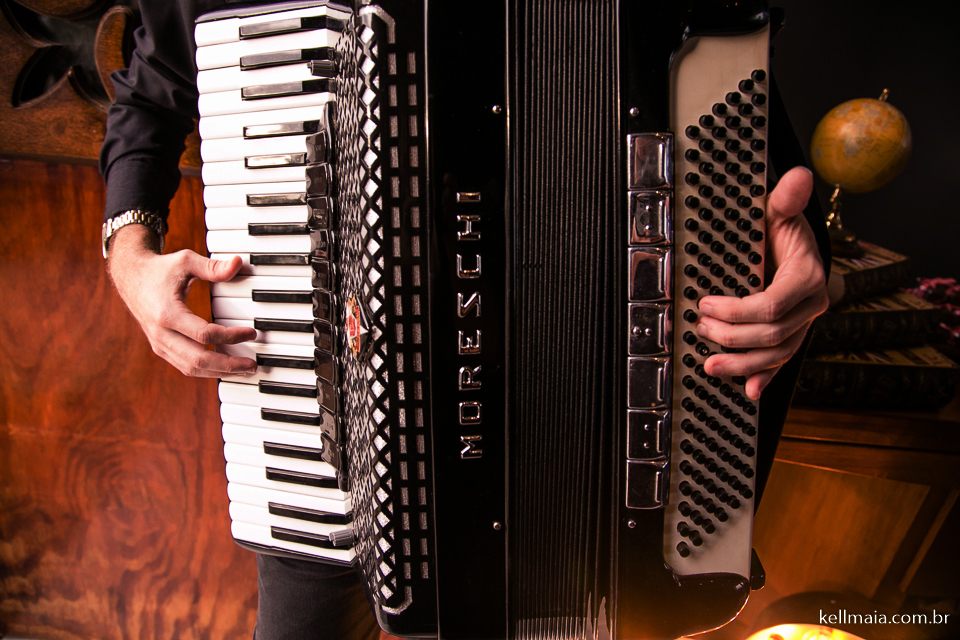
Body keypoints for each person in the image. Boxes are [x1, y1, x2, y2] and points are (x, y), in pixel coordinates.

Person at [100, 3, 830, 639]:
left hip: (578, 458)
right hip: (325, 455)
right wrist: (130, 257)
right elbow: (152, 94)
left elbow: (756, 150)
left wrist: (799, 266)